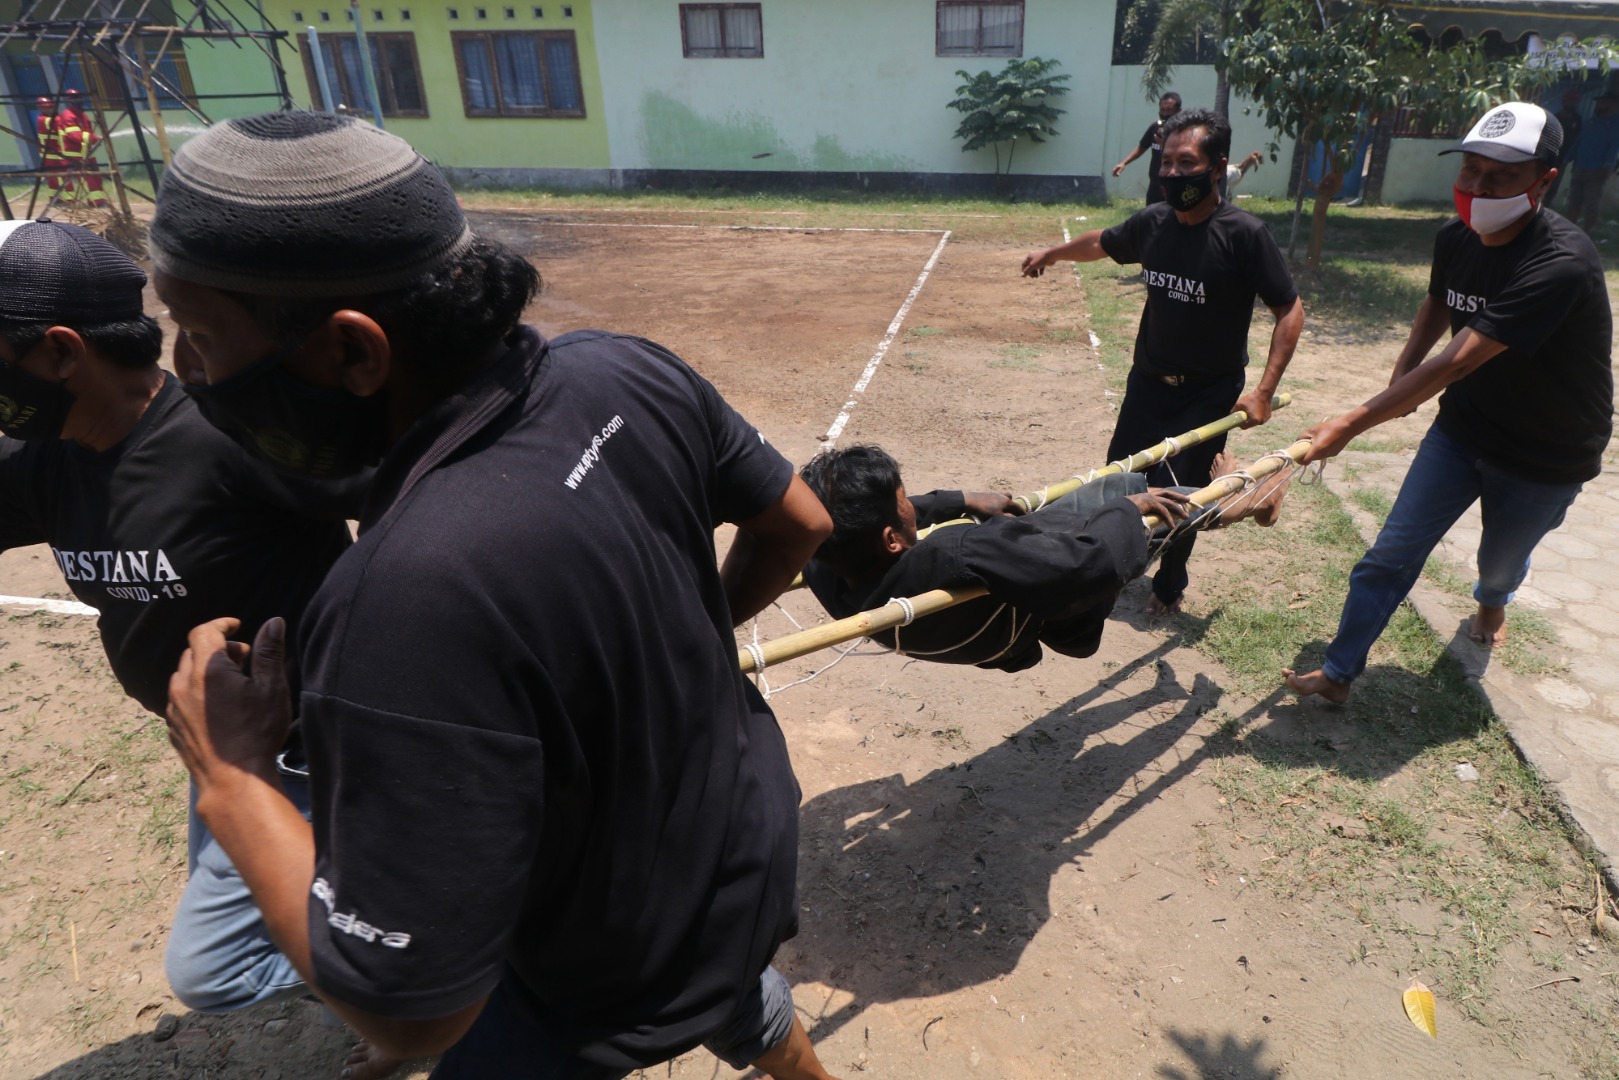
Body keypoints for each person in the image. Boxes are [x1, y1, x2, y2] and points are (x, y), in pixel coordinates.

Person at [156, 112, 840, 1080]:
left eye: (202, 336)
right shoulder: (622, 366)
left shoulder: (402, 600)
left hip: (596, 966)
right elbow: (801, 523)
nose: (184, 373)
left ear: (355, 354)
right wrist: (693, 626)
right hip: (733, 846)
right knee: (724, 984)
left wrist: (232, 776)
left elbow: (414, 1018)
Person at [0, 220, 363, 1050]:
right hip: (224, 755)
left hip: (321, 747)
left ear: (61, 353)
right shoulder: (41, 460)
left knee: (216, 973)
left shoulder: (229, 437)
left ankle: (440, 977)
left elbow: (410, 503)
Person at [1285, 102, 1612, 705]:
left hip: (1548, 452)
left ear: (1545, 180)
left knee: (1496, 564)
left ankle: (1494, 600)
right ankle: (1337, 673)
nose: (1478, 189)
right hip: (1464, 429)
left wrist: (1354, 420)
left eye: (1500, 177)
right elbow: (1440, 300)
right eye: (1470, 171)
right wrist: (1401, 371)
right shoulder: (1455, 236)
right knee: (1391, 553)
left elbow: (1461, 359)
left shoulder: (1560, 263)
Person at [1022, 107, 1305, 616]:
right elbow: (1103, 243)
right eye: (1167, 163)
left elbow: (1290, 309)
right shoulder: (1154, 223)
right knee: (1123, 481)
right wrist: (1054, 253)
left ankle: (1169, 586)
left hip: (1209, 390)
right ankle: (1108, 570)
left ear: (1217, 167)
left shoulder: (1243, 234)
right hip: (1149, 383)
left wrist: (1263, 389)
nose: (1172, 174)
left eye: (1186, 163)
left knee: (1180, 494)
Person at [798, 445, 1291, 670]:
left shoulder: (825, 566)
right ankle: (1235, 500)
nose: (912, 504)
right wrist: (1124, 511)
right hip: (1041, 603)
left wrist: (960, 499)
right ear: (891, 539)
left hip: (995, 625)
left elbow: (816, 524)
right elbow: (1088, 569)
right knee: (1125, 493)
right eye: (904, 500)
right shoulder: (960, 551)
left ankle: (1219, 498)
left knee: (1110, 491)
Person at [1112, 91, 1182, 205]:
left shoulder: (1182, 131)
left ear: (1178, 111)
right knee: (1152, 217)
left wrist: (1164, 144)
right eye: (1162, 110)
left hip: (1174, 182)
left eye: (1169, 110)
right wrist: (1124, 163)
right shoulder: (1156, 128)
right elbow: (1142, 147)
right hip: (1155, 183)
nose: (1165, 114)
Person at [1565, 92, 1619, 231]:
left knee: (1592, 204)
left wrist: (1608, 166)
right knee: (1574, 200)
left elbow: (1613, 147)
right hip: (1580, 166)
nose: (1599, 105)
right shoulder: (1591, 121)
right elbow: (1579, 142)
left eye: (1603, 102)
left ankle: (1587, 232)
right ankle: (1569, 230)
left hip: (1597, 169)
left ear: (1613, 105)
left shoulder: (1615, 124)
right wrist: (1567, 159)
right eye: (1599, 102)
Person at [1544, 90, 1583, 208]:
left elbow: (1577, 139)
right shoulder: (1556, 118)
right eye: (1570, 101)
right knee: (1542, 181)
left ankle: (1546, 206)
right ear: (1564, 102)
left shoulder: (1577, 119)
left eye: (1574, 102)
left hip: (1564, 158)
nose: (1572, 104)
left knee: (1554, 185)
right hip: (1549, 156)